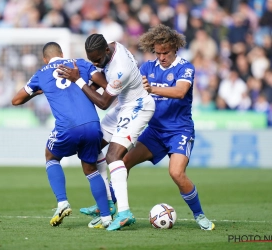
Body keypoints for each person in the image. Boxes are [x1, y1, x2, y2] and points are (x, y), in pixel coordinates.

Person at [77, 24, 215, 230]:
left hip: (179, 131)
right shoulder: (148, 68)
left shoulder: (186, 67)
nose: (161, 57)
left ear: (175, 48)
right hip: (154, 131)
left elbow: (180, 92)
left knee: (176, 173)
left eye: (166, 53)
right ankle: (111, 208)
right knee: (122, 162)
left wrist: (152, 88)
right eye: (158, 53)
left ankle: (199, 215)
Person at [57, 33, 155, 231]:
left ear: (107, 51)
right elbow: (101, 76)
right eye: (92, 60)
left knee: (113, 156)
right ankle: (108, 203)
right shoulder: (108, 47)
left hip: (138, 106)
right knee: (90, 148)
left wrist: (78, 81)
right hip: (123, 106)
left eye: (98, 59)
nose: (96, 63)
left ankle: (125, 212)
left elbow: (103, 103)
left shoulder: (121, 69)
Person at [11, 42, 113, 228]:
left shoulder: (41, 73)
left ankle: (62, 202)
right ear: (62, 54)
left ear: (45, 58)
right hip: (92, 124)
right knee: (90, 169)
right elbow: (107, 85)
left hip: (67, 127)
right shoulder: (81, 63)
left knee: (51, 156)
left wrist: (37, 92)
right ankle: (106, 218)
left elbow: (16, 100)